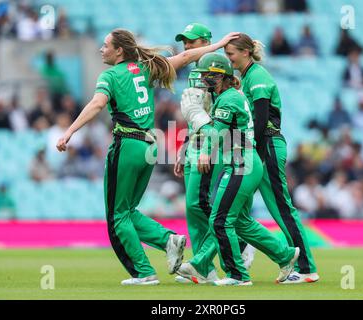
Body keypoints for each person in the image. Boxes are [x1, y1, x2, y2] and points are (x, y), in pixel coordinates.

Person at [56, 29, 239, 285]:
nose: (101, 49)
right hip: (150, 146)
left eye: (106, 45)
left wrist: (70, 131)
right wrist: (218, 44)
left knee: (117, 215)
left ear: (119, 50)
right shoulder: (146, 68)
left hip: (127, 144)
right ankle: (168, 240)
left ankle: (143, 272)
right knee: (128, 210)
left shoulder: (110, 75)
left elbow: (97, 104)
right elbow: (185, 57)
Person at [177, 53, 299, 286]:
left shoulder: (228, 99)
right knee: (239, 221)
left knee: (219, 220)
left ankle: (237, 274)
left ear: (222, 77)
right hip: (241, 162)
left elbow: (217, 134)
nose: (204, 80)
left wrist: (197, 118)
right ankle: (284, 255)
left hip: (242, 162)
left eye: (209, 76)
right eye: (203, 75)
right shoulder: (228, 96)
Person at [224, 33, 319, 283]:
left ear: (245, 52)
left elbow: (262, 119)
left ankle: (307, 268)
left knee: (281, 207)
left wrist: (252, 150)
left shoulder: (257, 77)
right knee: (238, 207)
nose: (228, 58)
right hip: (257, 147)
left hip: (267, 145)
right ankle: (247, 254)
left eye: (231, 53)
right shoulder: (246, 77)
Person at [173, 23, 255, 284]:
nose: (187, 47)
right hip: (197, 146)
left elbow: (215, 124)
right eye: (184, 42)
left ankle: (234, 249)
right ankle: (204, 268)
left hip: (215, 149)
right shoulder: (200, 77)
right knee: (193, 208)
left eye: (192, 41)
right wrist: (185, 145)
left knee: (204, 205)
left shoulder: (219, 80)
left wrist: (201, 137)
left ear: (207, 41)